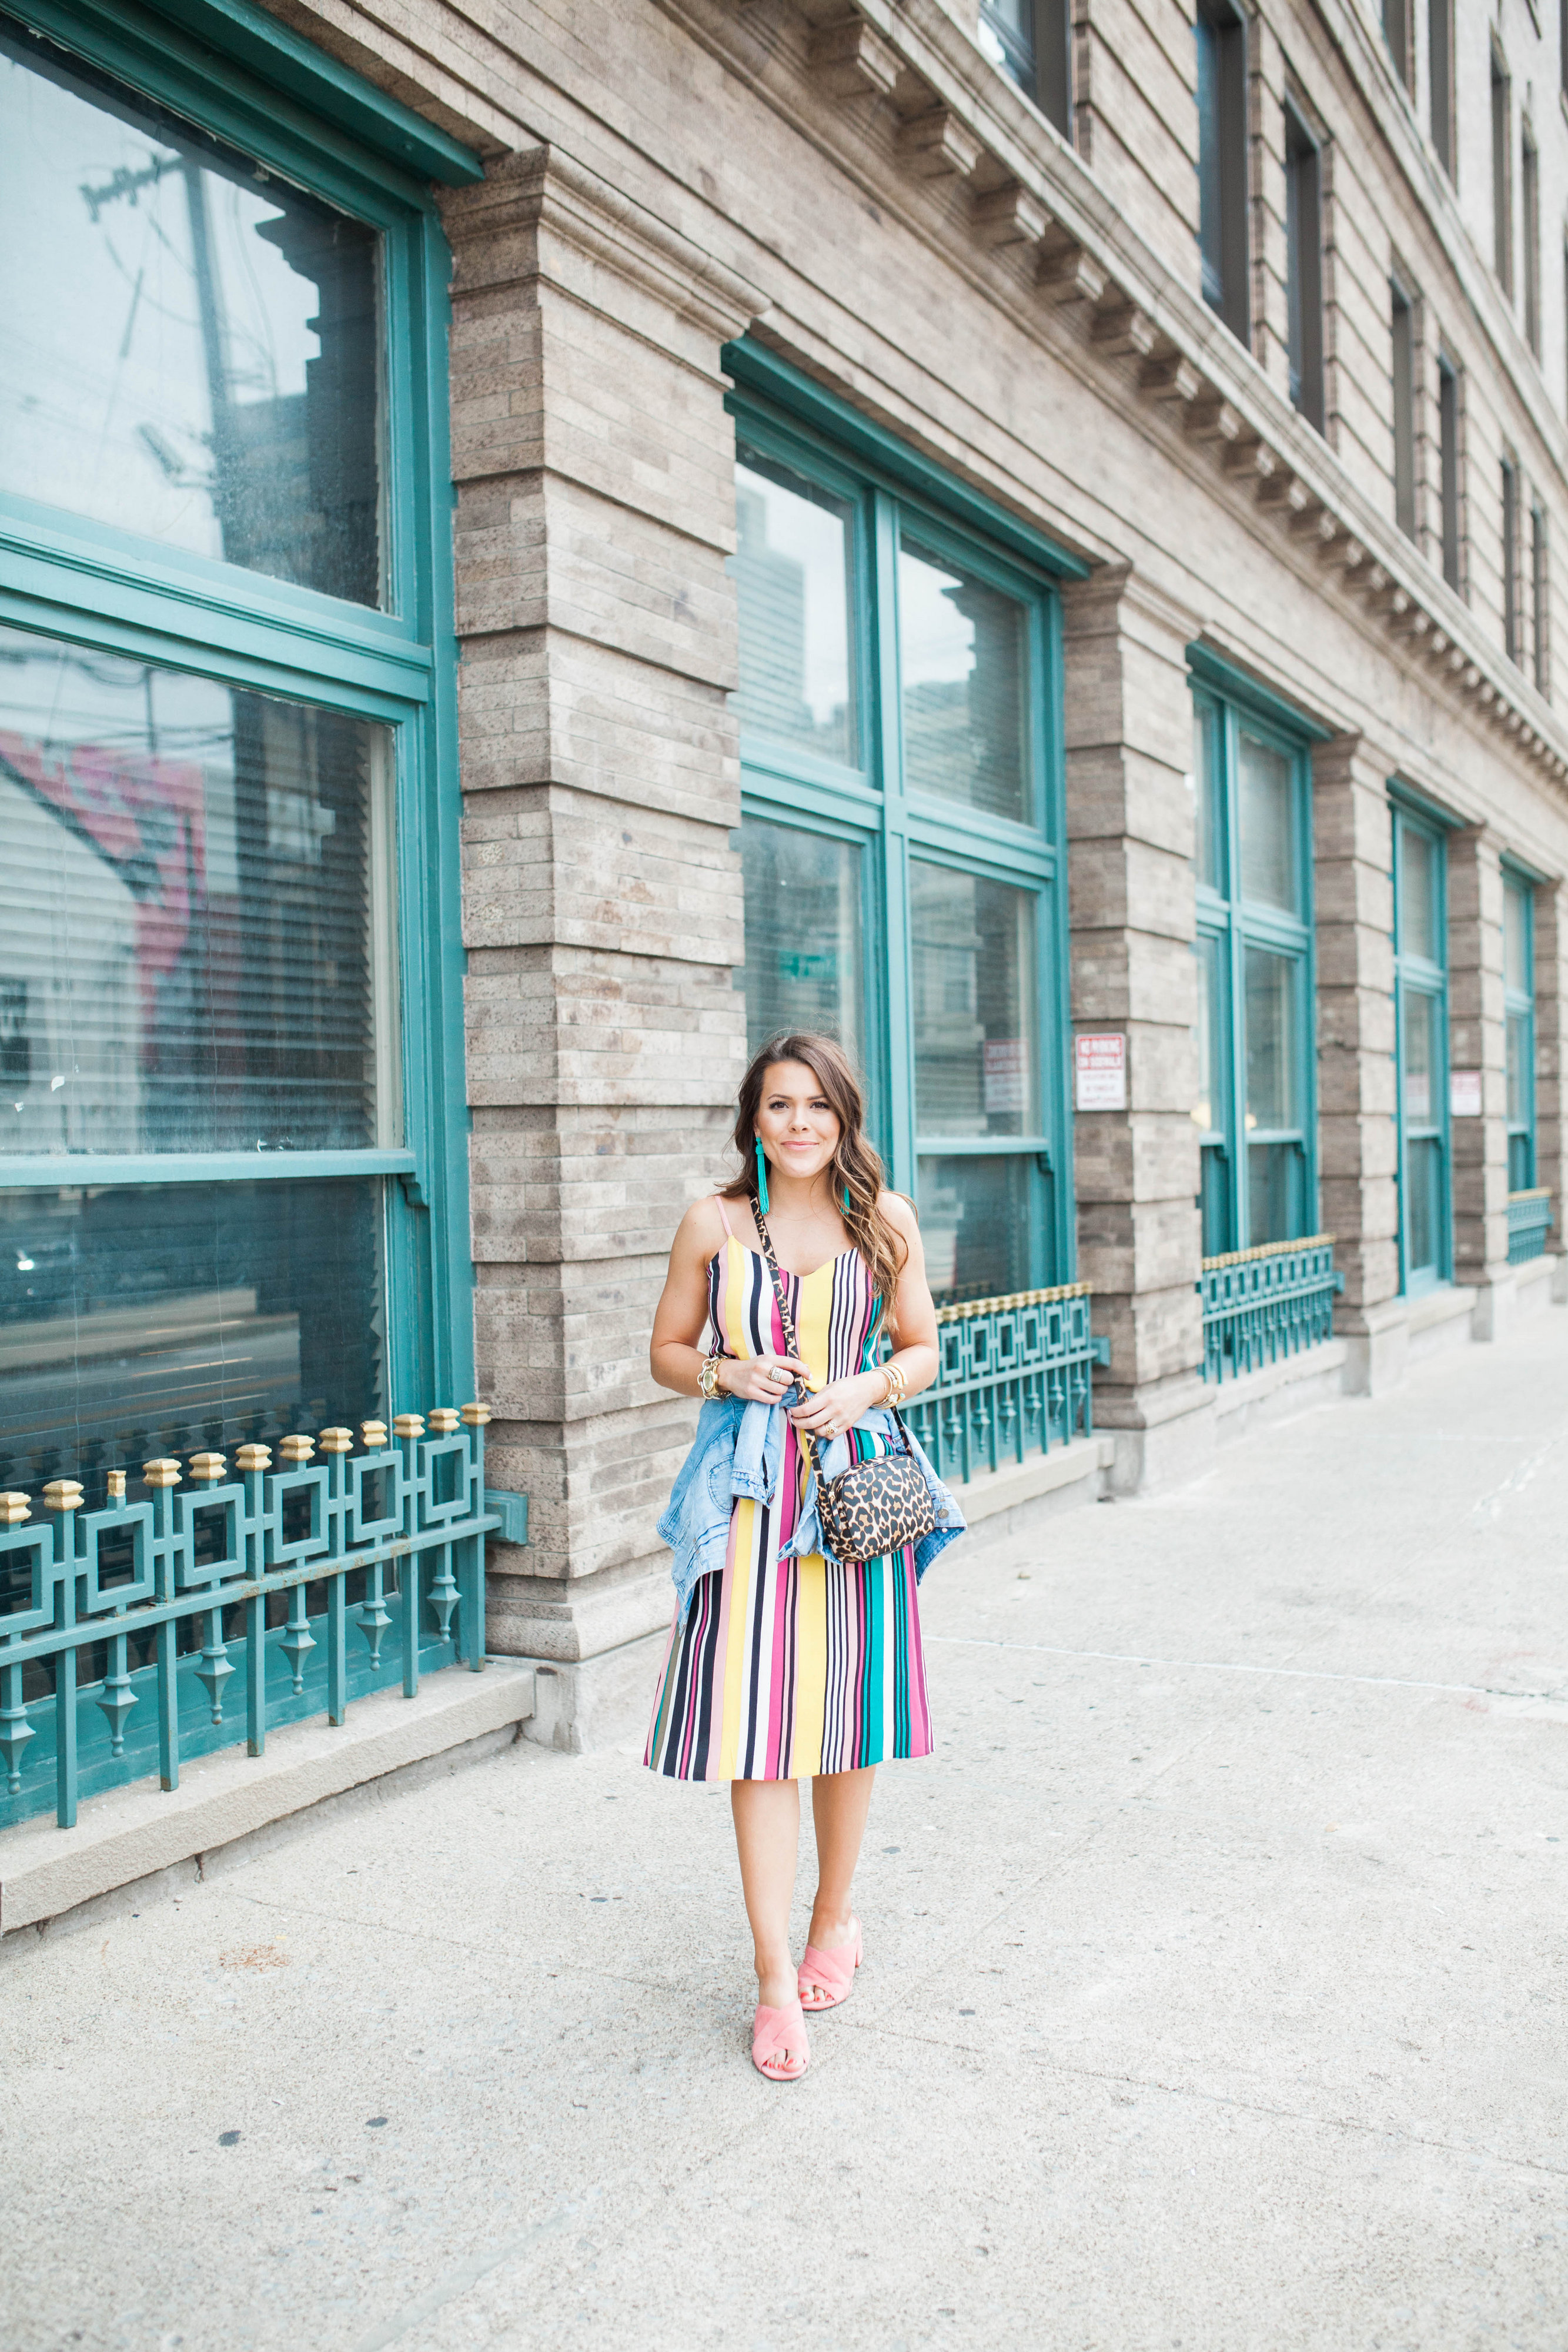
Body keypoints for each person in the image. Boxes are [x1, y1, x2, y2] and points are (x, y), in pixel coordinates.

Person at [645, 1031, 962, 2082]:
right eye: (779, 1106)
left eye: (817, 1107)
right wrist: (724, 1377)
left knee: (846, 1721)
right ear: (753, 1119)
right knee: (759, 1729)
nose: (798, 1125)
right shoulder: (714, 1223)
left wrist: (866, 1387)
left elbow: (922, 1348)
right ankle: (775, 1977)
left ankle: (836, 1918)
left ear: (843, 1118)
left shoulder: (886, 1223)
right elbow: (666, 1352)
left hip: (853, 1496)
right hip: (747, 1500)